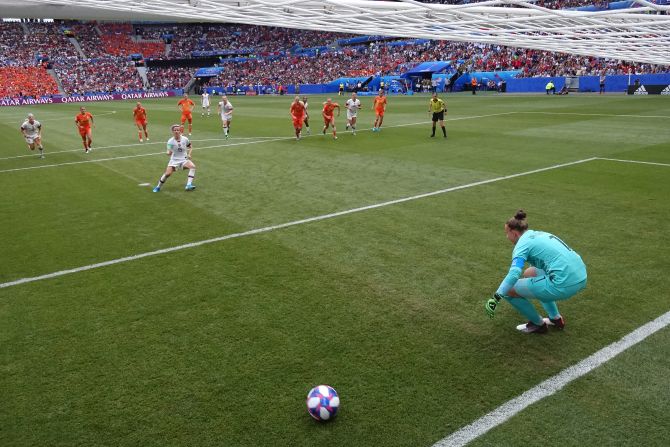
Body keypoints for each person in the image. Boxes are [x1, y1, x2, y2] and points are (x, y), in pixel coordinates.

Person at [485, 210, 587, 334]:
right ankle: (555, 318)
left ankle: (538, 324)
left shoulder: (521, 245)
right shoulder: (538, 234)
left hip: (563, 283)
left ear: (514, 233)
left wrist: (496, 297)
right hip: (581, 276)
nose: (507, 236)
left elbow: (514, 274)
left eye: (507, 233)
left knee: (509, 290)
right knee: (530, 273)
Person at [153, 124, 196, 192]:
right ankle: (158, 187)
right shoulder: (170, 141)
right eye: (175, 130)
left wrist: (189, 154)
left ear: (180, 131)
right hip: (174, 161)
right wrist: (168, 152)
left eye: (178, 130)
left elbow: (190, 147)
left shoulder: (185, 139)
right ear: (172, 131)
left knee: (192, 167)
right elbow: (168, 151)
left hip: (184, 160)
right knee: (167, 174)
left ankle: (188, 185)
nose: (176, 131)